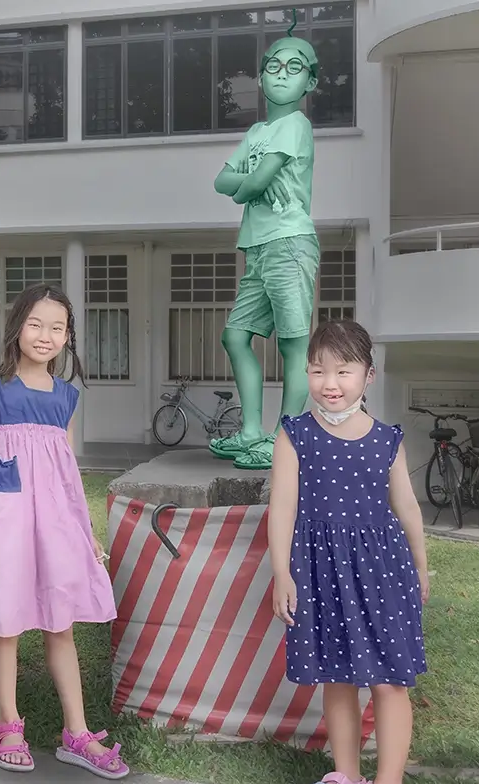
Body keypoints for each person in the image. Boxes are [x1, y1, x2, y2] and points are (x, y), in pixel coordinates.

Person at [0, 283, 128, 780]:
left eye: (57, 327)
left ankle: (77, 732)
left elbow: (67, 469)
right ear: (16, 327)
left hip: (54, 520)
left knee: (59, 620)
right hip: (4, 516)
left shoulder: (67, 397)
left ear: (68, 336)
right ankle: (9, 724)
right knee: (5, 621)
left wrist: (87, 530)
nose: (46, 335)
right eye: (36, 323)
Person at [268, 320, 429, 784]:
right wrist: (281, 573)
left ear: (368, 375)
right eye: (318, 370)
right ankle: (346, 775)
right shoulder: (294, 435)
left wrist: (422, 567)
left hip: (382, 573)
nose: (329, 382)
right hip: (320, 572)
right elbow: (282, 509)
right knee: (336, 674)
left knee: (387, 679)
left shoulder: (386, 440)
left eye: (343, 370)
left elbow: (406, 507)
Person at [208, 31, 321, 471]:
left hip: (290, 243)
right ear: (260, 77)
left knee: (294, 346)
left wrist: (244, 187)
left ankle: (284, 439)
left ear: (309, 83)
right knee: (235, 337)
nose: (281, 75)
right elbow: (221, 181)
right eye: (274, 66)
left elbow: (243, 184)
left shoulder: (296, 125)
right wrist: (245, 187)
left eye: (294, 68)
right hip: (258, 246)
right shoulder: (258, 131)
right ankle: (252, 431)